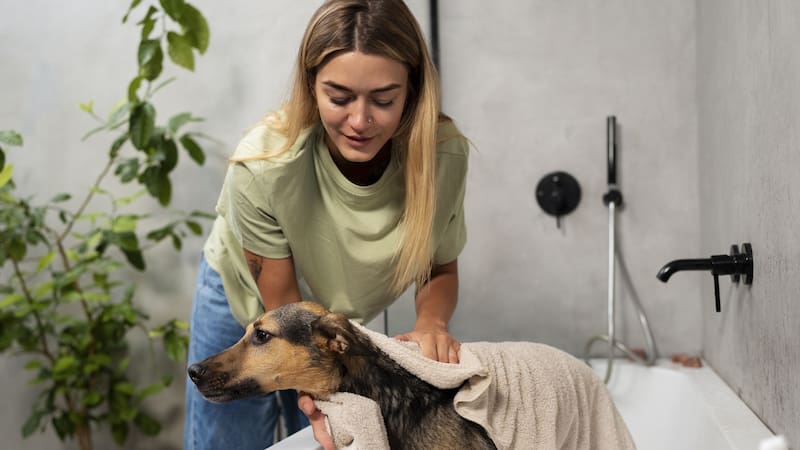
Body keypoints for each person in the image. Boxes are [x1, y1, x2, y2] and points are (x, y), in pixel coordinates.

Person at [183, 0, 470, 449]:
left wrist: (432, 322)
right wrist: (317, 406)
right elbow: (285, 318)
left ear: (412, 91)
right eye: (338, 98)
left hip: (330, 325)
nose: (360, 121)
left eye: (384, 99)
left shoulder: (442, 155)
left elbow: (437, 265)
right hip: (249, 299)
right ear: (310, 86)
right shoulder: (266, 164)